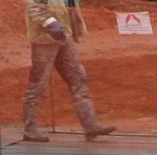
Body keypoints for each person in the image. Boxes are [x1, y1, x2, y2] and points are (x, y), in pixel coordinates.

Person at [21, 0, 115, 143]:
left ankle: (90, 125)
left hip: (64, 36)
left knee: (78, 77)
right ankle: (30, 128)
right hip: (44, 39)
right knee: (39, 82)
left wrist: (71, 30)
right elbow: (33, 8)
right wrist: (52, 25)